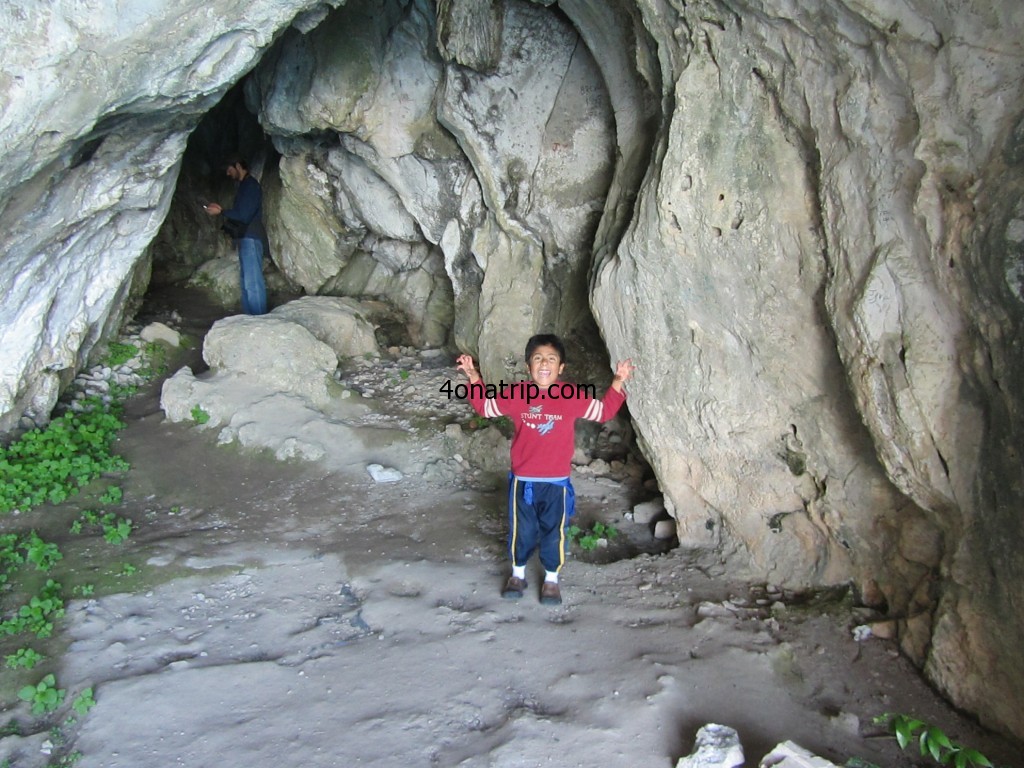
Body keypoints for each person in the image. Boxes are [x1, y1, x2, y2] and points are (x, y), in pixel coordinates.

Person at [456, 334, 634, 605]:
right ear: (528, 366)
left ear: (561, 368)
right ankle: (517, 574)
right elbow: (485, 407)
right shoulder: (517, 394)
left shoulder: (570, 395)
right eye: (538, 358)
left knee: (555, 531)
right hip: (523, 482)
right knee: (522, 530)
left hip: (556, 483)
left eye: (551, 359)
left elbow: (603, 412)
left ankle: (551, 579)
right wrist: (473, 377)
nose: (544, 364)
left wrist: (618, 381)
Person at [203, 156, 268, 315]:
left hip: (251, 238)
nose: (227, 173)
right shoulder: (244, 186)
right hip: (246, 238)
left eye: (229, 168)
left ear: (238, 166)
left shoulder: (251, 186)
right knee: (246, 282)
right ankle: (249, 319)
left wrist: (222, 211)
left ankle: (260, 322)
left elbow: (244, 215)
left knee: (252, 282)